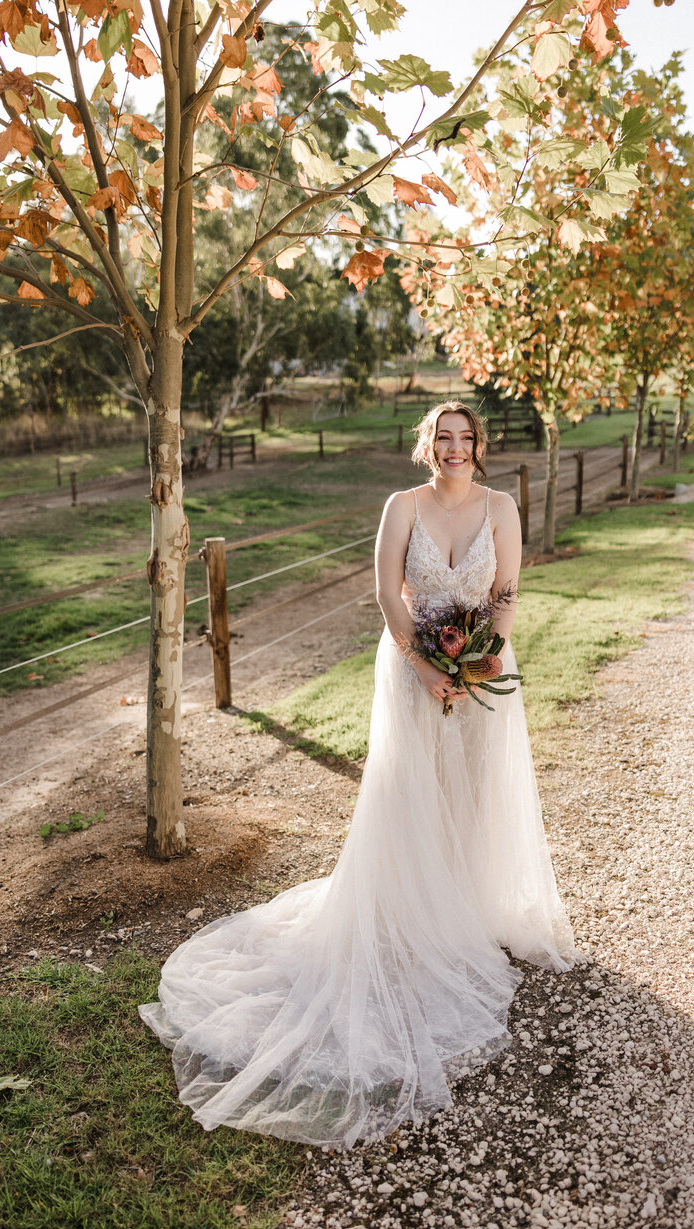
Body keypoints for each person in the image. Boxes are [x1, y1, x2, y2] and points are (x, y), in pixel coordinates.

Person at [139, 401, 580, 1148]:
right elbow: (386, 595)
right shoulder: (400, 507)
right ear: (426, 445)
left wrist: (480, 658)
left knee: (472, 793)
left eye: (465, 438)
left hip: (481, 667)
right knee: (413, 795)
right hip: (411, 670)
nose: (454, 448)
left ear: (479, 445)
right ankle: (417, 917)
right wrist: (425, 665)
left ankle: (469, 907)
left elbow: (505, 592)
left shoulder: (501, 507)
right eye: (442, 437)